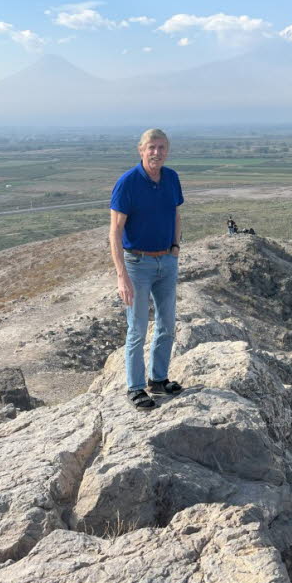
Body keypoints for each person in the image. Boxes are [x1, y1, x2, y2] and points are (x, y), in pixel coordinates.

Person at [109, 128, 184, 410]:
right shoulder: (127, 183)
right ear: (141, 150)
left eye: (161, 147)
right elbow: (115, 232)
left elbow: (176, 214)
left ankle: (158, 379)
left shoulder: (171, 178)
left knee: (167, 324)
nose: (156, 152)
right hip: (137, 264)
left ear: (167, 151)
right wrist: (121, 276)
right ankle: (136, 387)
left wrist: (175, 249)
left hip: (166, 261)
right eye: (151, 147)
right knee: (137, 329)